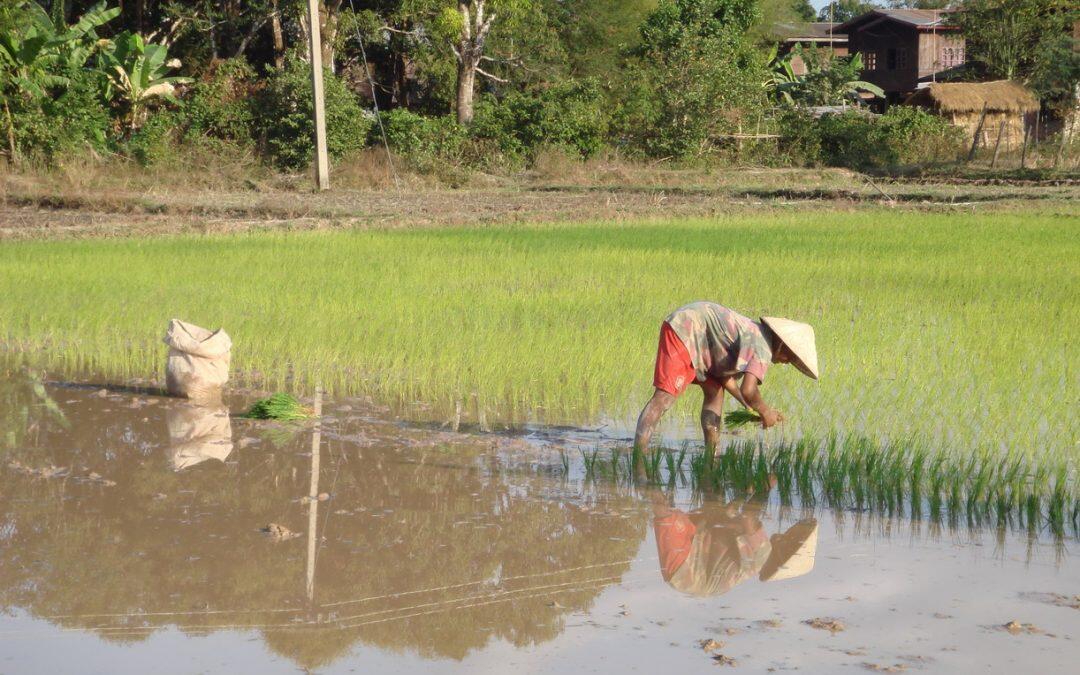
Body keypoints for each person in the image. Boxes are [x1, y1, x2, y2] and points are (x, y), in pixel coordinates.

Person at [634, 301, 819, 452]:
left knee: (715, 392)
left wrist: (748, 407)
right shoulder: (762, 347)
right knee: (664, 397)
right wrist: (765, 411)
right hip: (685, 328)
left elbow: (724, 378)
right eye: (789, 356)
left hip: (701, 340)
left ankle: (712, 452)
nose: (787, 362)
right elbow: (749, 389)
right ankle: (639, 451)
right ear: (781, 345)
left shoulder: (756, 335)